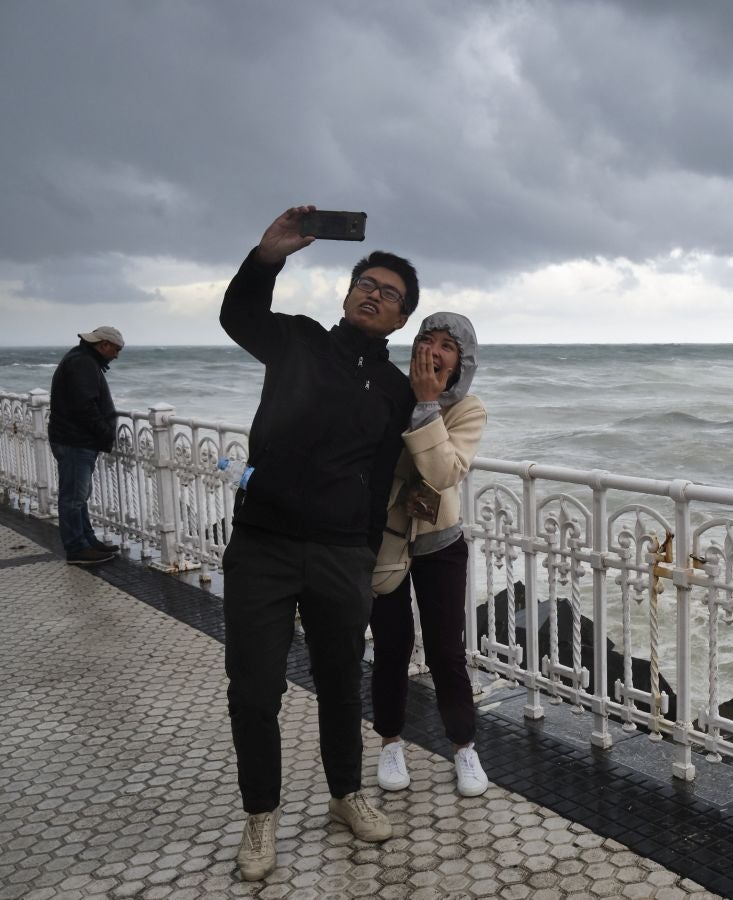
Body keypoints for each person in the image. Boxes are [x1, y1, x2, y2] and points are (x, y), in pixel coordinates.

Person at [219, 205, 417, 882]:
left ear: (400, 319)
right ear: (348, 293)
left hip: (340, 556)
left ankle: (345, 795)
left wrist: (363, 554)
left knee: (340, 685)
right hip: (264, 545)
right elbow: (239, 318)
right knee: (254, 690)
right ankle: (260, 818)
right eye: (368, 282)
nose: (375, 294)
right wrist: (267, 255)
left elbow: (386, 470)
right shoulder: (298, 341)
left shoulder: (393, 390)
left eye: (391, 294)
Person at [369, 313, 489, 799]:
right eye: (426, 340)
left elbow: (442, 473)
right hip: (386, 538)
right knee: (391, 647)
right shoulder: (388, 394)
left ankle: (464, 747)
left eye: (447, 346)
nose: (434, 352)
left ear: (462, 360)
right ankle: (390, 742)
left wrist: (425, 406)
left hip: (440, 543)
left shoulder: (468, 409)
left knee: (446, 650)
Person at [48, 326, 124, 565]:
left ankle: (87, 541)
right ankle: (77, 548)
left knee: (78, 496)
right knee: (73, 497)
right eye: (116, 349)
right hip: (75, 440)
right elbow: (85, 407)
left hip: (73, 438)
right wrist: (104, 432)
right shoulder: (83, 364)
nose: (117, 355)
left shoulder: (81, 359)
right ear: (103, 345)